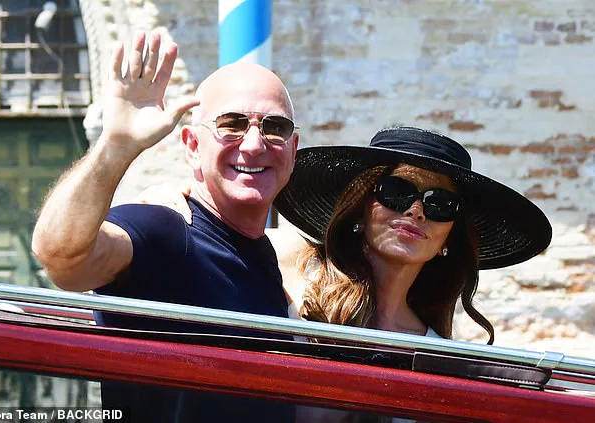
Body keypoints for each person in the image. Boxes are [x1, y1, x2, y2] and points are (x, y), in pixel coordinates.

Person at [31, 30, 299, 422]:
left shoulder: (271, 258)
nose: (254, 144)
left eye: (275, 127)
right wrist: (115, 146)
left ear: (293, 150)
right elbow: (61, 257)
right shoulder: (167, 231)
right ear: (192, 146)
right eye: (232, 124)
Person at [272, 126, 552, 343]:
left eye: (440, 204)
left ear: (449, 238)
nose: (416, 211)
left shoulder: (436, 352)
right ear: (359, 208)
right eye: (397, 192)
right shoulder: (288, 270)